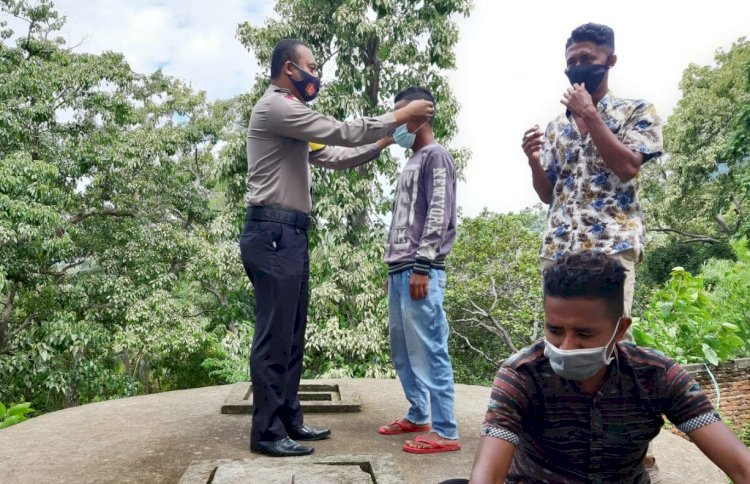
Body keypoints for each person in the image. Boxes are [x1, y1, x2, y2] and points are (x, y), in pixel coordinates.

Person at [241, 39, 434, 458]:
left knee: (292, 334)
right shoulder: (278, 107)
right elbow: (340, 130)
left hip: (289, 233)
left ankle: (288, 418)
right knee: (274, 336)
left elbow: (334, 154)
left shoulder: (292, 122)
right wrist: (401, 114)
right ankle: (267, 432)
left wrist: (384, 142)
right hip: (272, 229)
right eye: (311, 66)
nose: (317, 75)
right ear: (290, 68)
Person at [467, 251, 750, 483]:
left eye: (584, 334)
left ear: (620, 328)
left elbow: (740, 464)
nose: (565, 346)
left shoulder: (656, 375)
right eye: (554, 330)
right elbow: (488, 475)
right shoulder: (521, 375)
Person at [521, 22, 663, 322]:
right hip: (559, 248)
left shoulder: (637, 112)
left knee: (609, 340)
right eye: (571, 62)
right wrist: (534, 160)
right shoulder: (556, 127)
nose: (578, 67)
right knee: (561, 342)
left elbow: (627, 167)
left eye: (587, 59)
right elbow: (548, 194)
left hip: (610, 246)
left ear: (610, 61)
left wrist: (589, 113)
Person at [377, 86, 460, 454]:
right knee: (403, 350)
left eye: (403, 112)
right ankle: (418, 413)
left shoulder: (436, 155)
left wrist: (423, 266)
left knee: (429, 348)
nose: (398, 121)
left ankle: (446, 430)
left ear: (424, 113)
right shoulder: (412, 159)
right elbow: (405, 219)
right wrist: (394, 268)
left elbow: (439, 213)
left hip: (420, 268)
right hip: (401, 269)